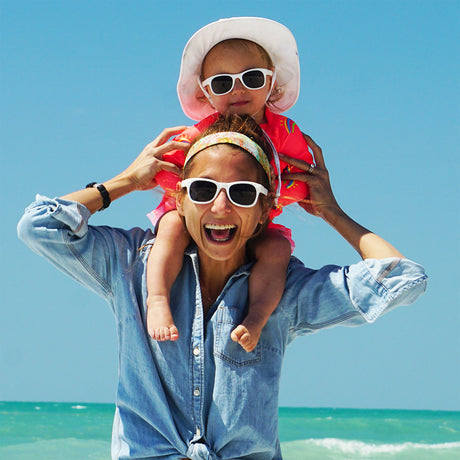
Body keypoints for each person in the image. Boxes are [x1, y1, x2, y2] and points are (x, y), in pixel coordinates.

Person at [18, 114, 427, 459]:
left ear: (265, 209)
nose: (220, 207)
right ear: (180, 200)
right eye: (203, 189)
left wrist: (331, 211)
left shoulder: (284, 289)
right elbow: (39, 226)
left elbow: (402, 279)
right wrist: (124, 181)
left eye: (243, 193)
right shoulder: (132, 265)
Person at [146, 17, 313, 352]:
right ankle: (158, 299)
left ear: (272, 82)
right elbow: (165, 170)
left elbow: (302, 178)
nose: (238, 90)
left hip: (256, 219)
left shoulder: (285, 133)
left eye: (251, 78)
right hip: (196, 213)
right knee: (172, 227)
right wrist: (189, 196)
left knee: (277, 250)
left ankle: (256, 318)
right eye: (222, 83)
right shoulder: (199, 133)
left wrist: (272, 200)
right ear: (206, 92)